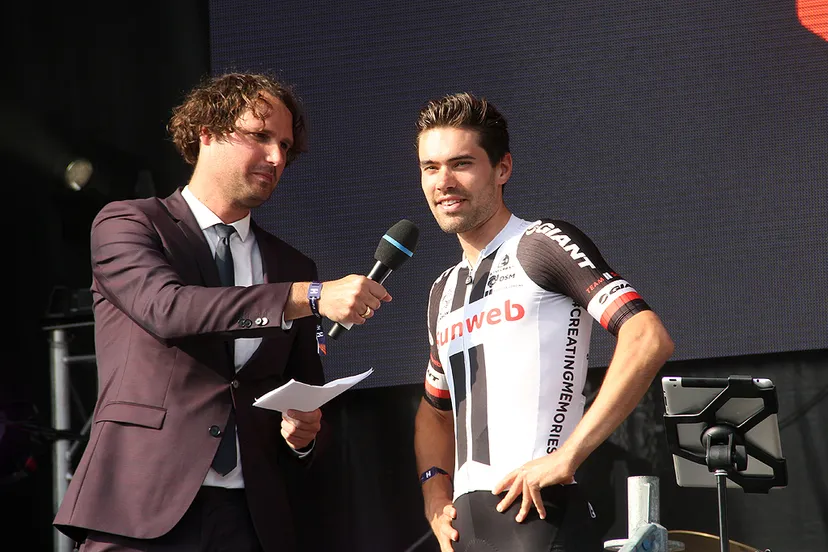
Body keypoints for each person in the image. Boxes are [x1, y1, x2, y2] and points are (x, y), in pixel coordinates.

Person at [53, 72, 391, 552]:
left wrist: (304, 436)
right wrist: (309, 295)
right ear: (207, 131)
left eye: (285, 146)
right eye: (260, 136)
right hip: (141, 507)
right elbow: (168, 308)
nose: (276, 157)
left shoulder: (291, 265)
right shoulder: (129, 223)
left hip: (249, 518)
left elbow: (307, 394)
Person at [413, 92, 675, 552]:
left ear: (502, 169)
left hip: (541, 514)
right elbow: (434, 413)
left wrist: (568, 455)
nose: (444, 181)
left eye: (461, 164)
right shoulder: (442, 290)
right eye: (430, 167)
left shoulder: (542, 243)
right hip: (465, 530)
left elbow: (647, 337)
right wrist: (435, 493)